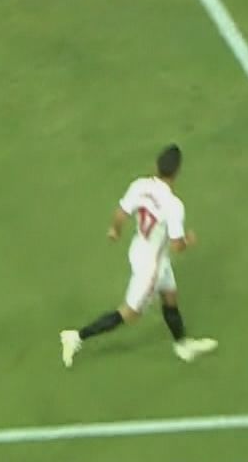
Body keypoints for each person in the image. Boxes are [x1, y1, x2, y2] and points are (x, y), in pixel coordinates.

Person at [59, 145, 218, 366]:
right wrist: (189, 241)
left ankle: (182, 345)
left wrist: (115, 230)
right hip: (151, 266)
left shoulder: (140, 186)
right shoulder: (174, 206)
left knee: (170, 296)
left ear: (156, 166)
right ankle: (76, 337)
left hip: (140, 250)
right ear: (177, 172)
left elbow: (121, 213)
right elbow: (177, 246)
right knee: (130, 313)